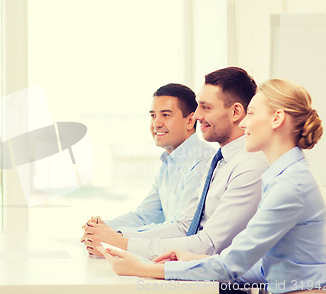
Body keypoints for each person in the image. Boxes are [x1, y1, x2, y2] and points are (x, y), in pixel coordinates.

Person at [98, 79, 326, 294]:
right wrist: (189, 261)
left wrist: (146, 268)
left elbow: (232, 265)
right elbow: (265, 268)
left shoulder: (291, 186)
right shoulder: (283, 177)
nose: (244, 123)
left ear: (276, 119)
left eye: (252, 113)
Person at [84, 67, 268, 259]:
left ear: (236, 112)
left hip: (224, 283)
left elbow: (207, 244)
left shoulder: (249, 165)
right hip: (199, 270)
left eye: (205, 107)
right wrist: (109, 234)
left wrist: (121, 242)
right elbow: (183, 227)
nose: (196, 116)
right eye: (153, 115)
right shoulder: (218, 163)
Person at [80, 83, 215, 254]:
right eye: (153, 116)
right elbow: (145, 215)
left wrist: (116, 237)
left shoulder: (203, 161)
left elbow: (184, 230)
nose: (156, 123)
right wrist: (101, 228)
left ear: (190, 121)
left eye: (165, 115)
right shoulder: (169, 162)